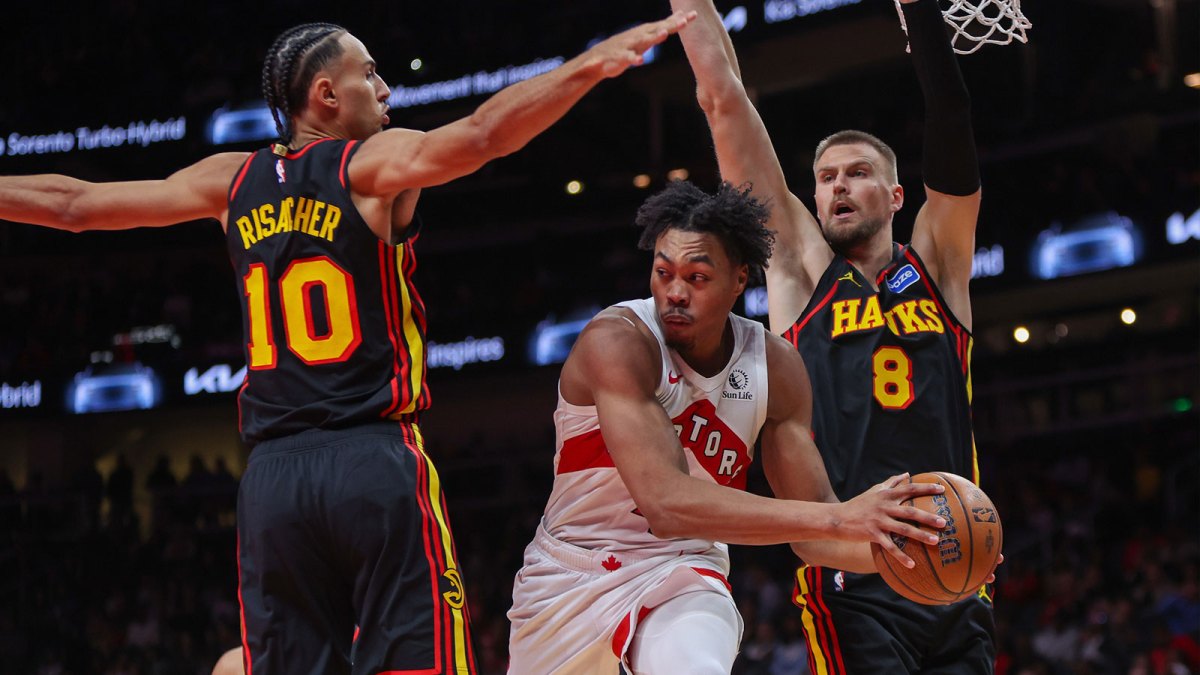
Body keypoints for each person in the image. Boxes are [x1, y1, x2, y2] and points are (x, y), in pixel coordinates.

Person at [0, 14, 697, 675]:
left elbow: (74, 207)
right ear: (326, 94)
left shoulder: (228, 181)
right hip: (372, 458)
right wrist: (589, 66)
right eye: (370, 74)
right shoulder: (368, 165)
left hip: (272, 479)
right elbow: (486, 133)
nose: (387, 88)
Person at [506, 179, 951, 674]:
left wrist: (926, 554)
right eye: (662, 273)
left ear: (739, 280)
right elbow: (667, 505)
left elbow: (815, 534)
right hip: (569, 573)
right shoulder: (617, 342)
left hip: (681, 570)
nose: (674, 293)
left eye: (697, 277)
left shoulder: (776, 369)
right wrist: (841, 518)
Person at [670, 0, 997, 671]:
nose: (838, 186)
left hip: (957, 572)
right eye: (825, 178)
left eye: (857, 173)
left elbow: (953, 116)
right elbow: (724, 100)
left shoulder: (939, 264)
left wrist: (920, 12)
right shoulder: (798, 269)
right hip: (855, 578)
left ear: (897, 195)